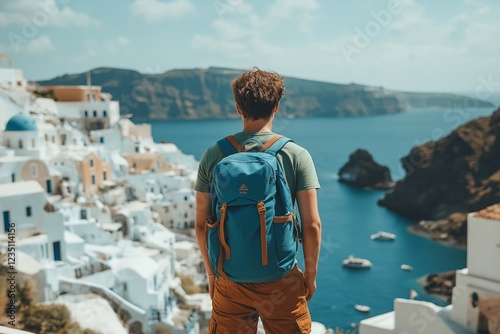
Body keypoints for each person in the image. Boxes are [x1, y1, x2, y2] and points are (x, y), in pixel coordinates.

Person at [195, 67, 322, 334]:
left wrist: (211, 275)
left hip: (229, 280)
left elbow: (201, 225)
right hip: (281, 279)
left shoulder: (213, 154)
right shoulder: (297, 155)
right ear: (276, 106)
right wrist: (310, 274)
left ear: (238, 108)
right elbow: (311, 225)